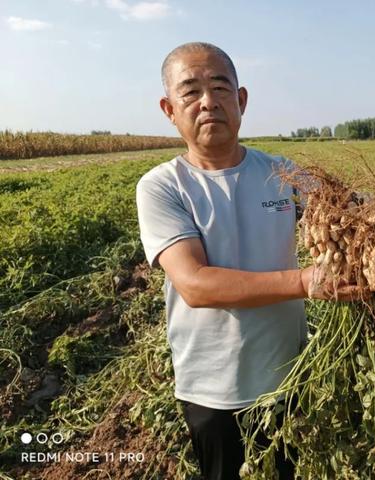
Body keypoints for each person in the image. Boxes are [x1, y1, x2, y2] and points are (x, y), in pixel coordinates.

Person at [135, 42, 362, 480]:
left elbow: (352, 214)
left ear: (241, 100)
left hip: (287, 376)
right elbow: (196, 285)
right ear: (169, 109)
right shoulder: (163, 187)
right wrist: (305, 282)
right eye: (190, 91)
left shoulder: (285, 174)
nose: (208, 102)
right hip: (212, 387)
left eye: (220, 87)